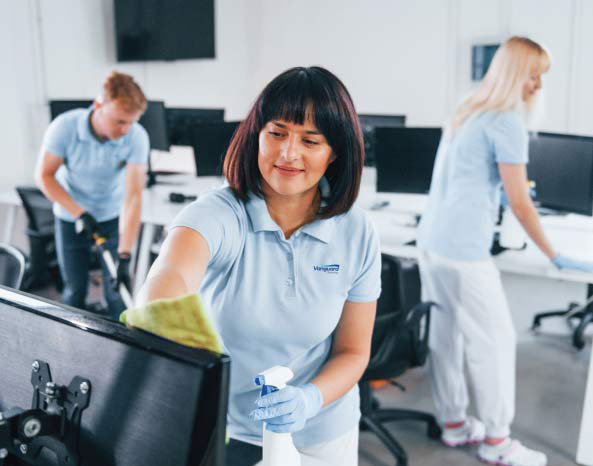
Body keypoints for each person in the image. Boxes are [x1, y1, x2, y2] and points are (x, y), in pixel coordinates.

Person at [136, 66, 381, 466]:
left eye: (310, 140)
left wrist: (309, 398)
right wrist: (159, 312)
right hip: (233, 431)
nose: (288, 153)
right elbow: (171, 275)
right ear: (257, 136)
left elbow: (354, 351)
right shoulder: (221, 213)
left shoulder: (356, 231)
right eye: (277, 132)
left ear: (334, 151)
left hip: (323, 430)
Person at [417, 36, 593, 466]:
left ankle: (455, 424)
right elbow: (519, 200)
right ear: (516, 75)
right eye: (534, 76)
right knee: (495, 341)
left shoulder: (467, 109)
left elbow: (457, 180)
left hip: (433, 240)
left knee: (447, 338)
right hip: (463, 251)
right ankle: (497, 442)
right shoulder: (507, 121)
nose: (538, 86)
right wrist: (552, 252)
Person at [36, 71, 149, 320]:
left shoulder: (136, 137)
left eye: (131, 122)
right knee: (75, 291)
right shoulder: (64, 128)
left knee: (117, 294)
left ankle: (125, 354)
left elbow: (133, 197)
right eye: (120, 121)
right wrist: (80, 214)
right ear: (99, 105)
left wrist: (125, 254)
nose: (125, 130)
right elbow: (44, 176)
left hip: (111, 217)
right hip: (70, 217)